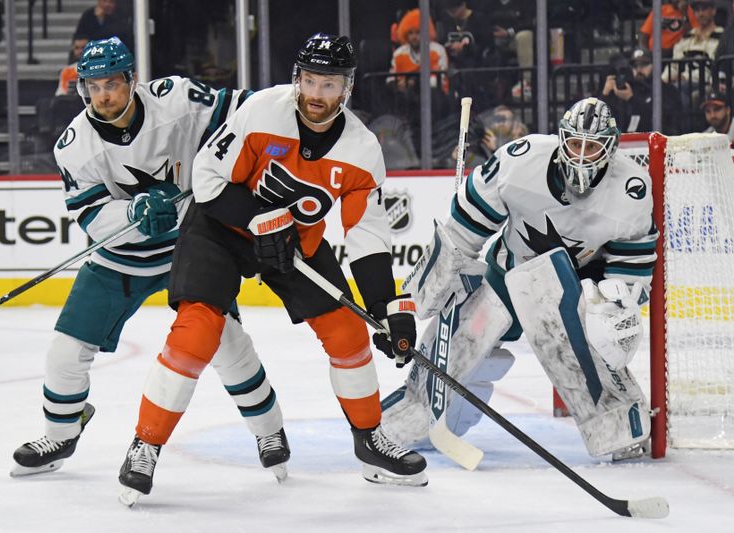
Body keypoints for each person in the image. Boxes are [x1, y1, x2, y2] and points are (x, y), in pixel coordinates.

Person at [118, 32, 426, 505]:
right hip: (221, 226)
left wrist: (387, 308)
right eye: (309, 81)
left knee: (349, 331)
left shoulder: (362, 151)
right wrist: (257, 219)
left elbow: (366, 235)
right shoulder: (263, 111)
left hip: (294, 244)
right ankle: (146, 444)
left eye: (329, 85)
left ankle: (369, 441)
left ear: (347, 88)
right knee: (197, 330)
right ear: (296, 78)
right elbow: (205, 177)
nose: (316, 95)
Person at [10, 38, 289, 487]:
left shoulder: (175, 99)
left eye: (112, 84)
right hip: (119, 260)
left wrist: (290, 103)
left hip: (191, 245)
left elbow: (243, 108)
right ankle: (60, 434)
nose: (103, 95)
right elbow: (91, 216)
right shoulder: (74, 146)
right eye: (93, 87)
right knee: (65, 351)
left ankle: (269, 431)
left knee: (228, 344)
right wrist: (134, 212)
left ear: (131, 81)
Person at [383, 97, 657, 463]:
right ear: (561, 139)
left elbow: (632, 265)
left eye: (592, 147)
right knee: (467, 338)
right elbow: (466, 226)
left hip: (578, 287)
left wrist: (614, 308)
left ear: (611, 147)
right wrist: (444, 272)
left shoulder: (631, 188)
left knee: (585, 344)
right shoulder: (521, 160)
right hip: (509, 271)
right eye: (575, 143)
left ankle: (617, 423)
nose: (581, 155)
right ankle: (418, 409)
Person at [601, 48, 682, 135]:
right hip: (627, 141)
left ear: (654, 65)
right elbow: (608, 119)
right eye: (635, 66)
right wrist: (605, 95)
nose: (638, 70)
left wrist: (631, 99)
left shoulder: (666, 90)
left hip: (656, 140)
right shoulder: (626, 88)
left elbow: (661, 119)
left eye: (644, 65)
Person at [389, 8, 449, 94]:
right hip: (406, 98)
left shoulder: (438, 50)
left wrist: (415, 83)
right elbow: (390, 79)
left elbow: (441, 80)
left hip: (435, 96)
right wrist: (397, 84)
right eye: (410, 33)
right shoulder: (398, 54)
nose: (414, 37)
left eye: (418, 32)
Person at [663, 1, 724, 85]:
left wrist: (684, 77)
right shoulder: (687, 37)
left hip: (704, 84)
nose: (701, 14)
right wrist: (663, 80)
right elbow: (674, 65)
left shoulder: (722, 37)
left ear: (713, 11)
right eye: (697, 10)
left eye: (704, 9)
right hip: (680, 82)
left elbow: (711, 68)